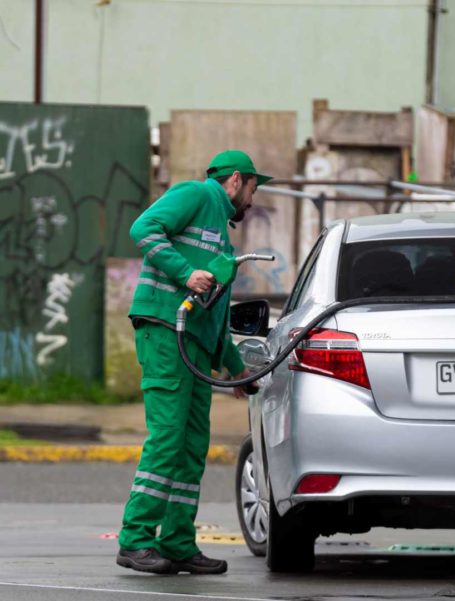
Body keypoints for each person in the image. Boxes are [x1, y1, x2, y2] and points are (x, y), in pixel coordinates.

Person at [116, 150, 271, 575]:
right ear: (236, 180)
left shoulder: (220, 236)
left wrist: (236, 368)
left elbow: (216, 314)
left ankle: (179, 543)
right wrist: (185, 273)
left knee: (190, 448)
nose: (253, 200)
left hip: (195, 346)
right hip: (165, 331)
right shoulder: (195, 195)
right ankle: (135, 539)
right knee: (167, 439)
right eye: (254, 189)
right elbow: (143, 227)